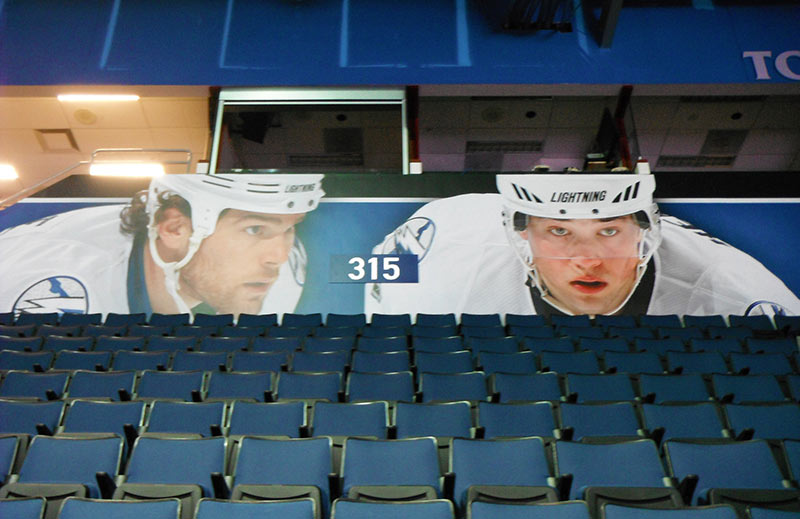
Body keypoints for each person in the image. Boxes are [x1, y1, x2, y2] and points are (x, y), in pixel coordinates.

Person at [366, 165, 800, 317]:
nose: (588, 260)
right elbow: (361, 272)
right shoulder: (448, 239)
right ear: (522, 236)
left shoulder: (739, 293)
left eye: (609, 231)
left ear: (644, 234)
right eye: (559, 231)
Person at [0, 173, 324, 318]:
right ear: (175, 229)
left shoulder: (285, 266)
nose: (278, 257)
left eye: (289, 228)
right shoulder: (63, 285)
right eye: (255, 229)